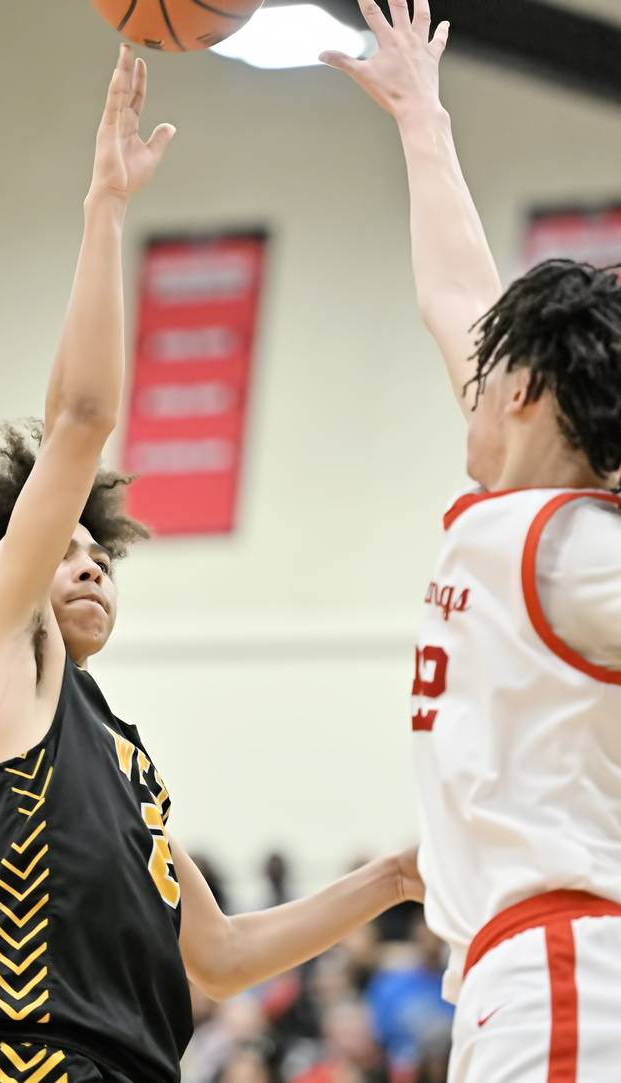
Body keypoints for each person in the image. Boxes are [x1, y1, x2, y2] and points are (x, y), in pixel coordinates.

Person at [0, 45, 422, 1083]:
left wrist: (392, 878)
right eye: (65, 550)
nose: (90, 567)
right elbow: (80, 421)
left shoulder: (122, 762)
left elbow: (218, 958)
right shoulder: (2, 660)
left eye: (103, 554)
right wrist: (105, 206)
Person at [321, 3, 621, 1081]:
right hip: (518, 973)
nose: (464, 380)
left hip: (567, 971)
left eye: (483, 372)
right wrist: (419, 117)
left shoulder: (573, 547)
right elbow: (454, 292)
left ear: (528, 392)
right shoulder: (521, 512)